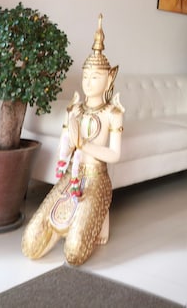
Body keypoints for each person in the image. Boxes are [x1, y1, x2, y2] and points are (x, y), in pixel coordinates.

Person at [22, 15, 125, 266]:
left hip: (97, 178)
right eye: (86, 76)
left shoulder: (112, 113)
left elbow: (114, 155)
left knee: (74, 252)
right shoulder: (75, 109)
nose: (89, 83)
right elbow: (63, 148)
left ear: (109, 79)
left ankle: (100, 213)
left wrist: (85, 144)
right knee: (30, 244)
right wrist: (68, 143)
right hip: (72, 175)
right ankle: (73, 221)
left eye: (95, 77)